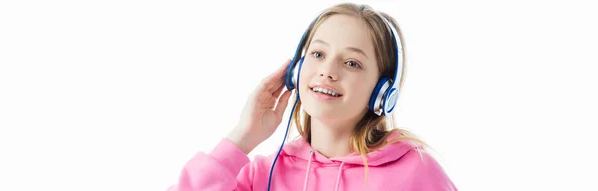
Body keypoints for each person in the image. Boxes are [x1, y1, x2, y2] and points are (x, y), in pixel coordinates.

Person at [167, 2, 457, 191]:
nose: (327, 71)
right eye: (318, 54)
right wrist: (243, 136)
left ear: (382, 91)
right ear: (296, 70)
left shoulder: (415, 173)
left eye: (352, 63)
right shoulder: (261, 175)